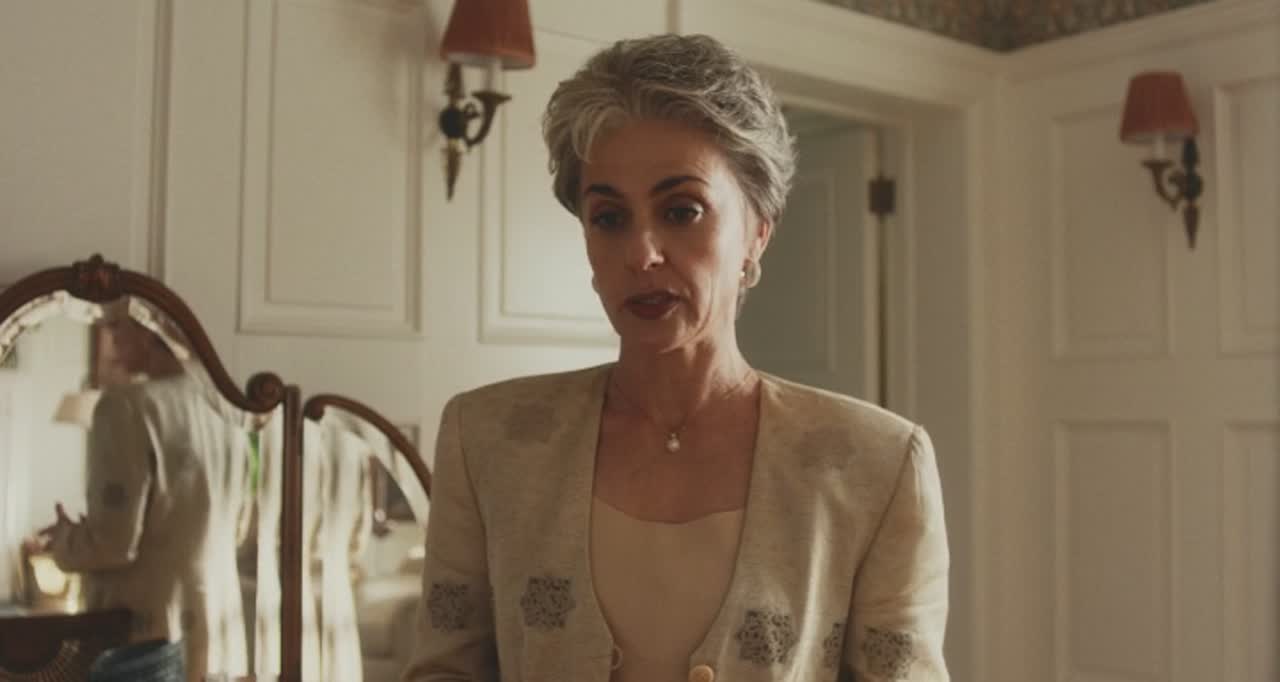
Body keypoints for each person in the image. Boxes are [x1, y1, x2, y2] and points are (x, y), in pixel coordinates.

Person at [403, 33, 949, 682]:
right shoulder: (487, 439)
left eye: (681, 210)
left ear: (756, 234)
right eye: (609, 218)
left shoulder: (878, 465)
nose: (642, 253)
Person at [26, 297, 254, 682]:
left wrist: (64, 539)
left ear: (150, 331)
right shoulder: (226, 408)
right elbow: (239, 526)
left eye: (117, 326)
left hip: (147, 634)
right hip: (217, 621)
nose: (109, 337)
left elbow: (114, 544)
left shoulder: (127, 406)